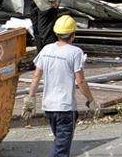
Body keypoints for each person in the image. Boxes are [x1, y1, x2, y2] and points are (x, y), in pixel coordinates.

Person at [23, 14, 99, 157]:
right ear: (73, 34)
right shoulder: (75, 53)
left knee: (60, 143)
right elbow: (80, 81)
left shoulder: (46, 50)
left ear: (56, 33)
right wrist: (91, 100)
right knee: (61, 150)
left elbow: (36, 76)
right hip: (65, 107)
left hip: (49, 107)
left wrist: (30, 99)